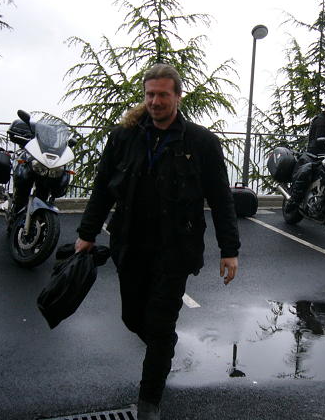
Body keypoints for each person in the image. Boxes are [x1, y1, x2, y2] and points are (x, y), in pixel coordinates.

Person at [75, 64, 240, 420]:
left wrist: (230, 250)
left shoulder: (201, 142)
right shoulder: (124, 137)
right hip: (130, 246)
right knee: (132, 318)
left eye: (163, 94)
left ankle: (149, 401)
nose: (155, 101)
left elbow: (221, 199)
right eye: (150, 94)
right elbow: (103, 188)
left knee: (161, 325)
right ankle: (162, 348)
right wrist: (87, 234)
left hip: (175, 250)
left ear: (178, 96)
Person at [285, 101, 325, 213]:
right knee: (306, 172)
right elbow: (319, 139)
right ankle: (294, 202)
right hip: (314, 154)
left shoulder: (324, 120)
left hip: (320, 153)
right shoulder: (321, 121)